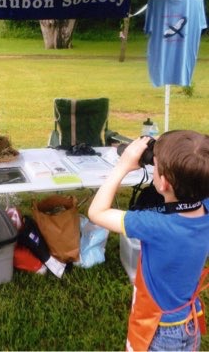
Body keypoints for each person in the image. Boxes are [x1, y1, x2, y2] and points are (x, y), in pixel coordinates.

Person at [88, 130, 209, 351]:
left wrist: (123, 165)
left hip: (159, 332)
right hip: (188, 326)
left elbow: (97, 212)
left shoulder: (156, 226)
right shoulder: (205, 211)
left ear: (163, 184)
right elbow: (197, 162)